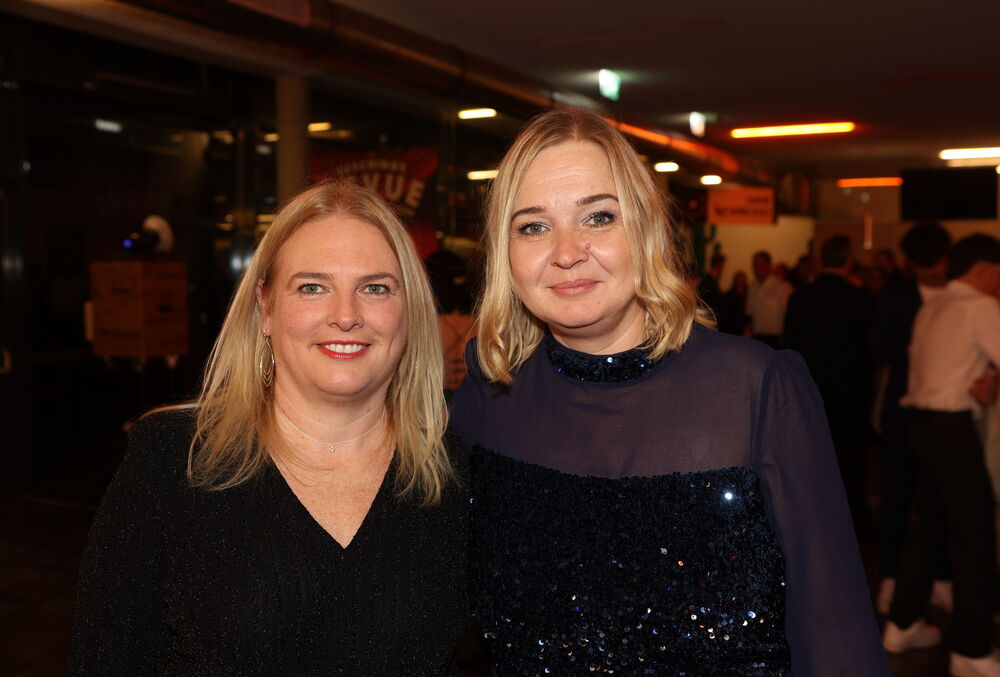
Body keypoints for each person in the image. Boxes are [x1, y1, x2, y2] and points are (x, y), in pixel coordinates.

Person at [451, 109, 888, 676]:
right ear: (504, 251)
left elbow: (837, 636)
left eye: (599, 217)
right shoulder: (490, 391)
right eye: (533, 226)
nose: (566, 251)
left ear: (646, 228)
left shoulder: (757, 388)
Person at [70, 181, 468, 675]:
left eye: (375, 288)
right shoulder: (173, 457)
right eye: (312, 287)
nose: (346, 315)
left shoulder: (453, 463)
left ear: (409, 309)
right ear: (266, 308)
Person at [884, 234, 1000, 677]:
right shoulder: (979, 305)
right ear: (984, 269)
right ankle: (970, 648)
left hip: (919, 425)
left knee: (927, 528)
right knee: (974, 537)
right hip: (950, 429)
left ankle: (902, 623)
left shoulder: (933, 306)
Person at [784, 235, 873, 532]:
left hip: (809, 389)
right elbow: (869, 348)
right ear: (849, 261)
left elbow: (789, 347)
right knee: (850, 460)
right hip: (850, 393)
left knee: (812, 456)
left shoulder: (800, 298)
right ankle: (851, 518)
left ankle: (812, 517)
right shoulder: (858, 298)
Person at [747, 250, 792, 348]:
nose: (758, 268)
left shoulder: (782, 287)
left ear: (769, 265)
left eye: (761, 264)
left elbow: (788, 316)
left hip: (775, 339)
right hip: (757, 338)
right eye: (755, 265)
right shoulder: (752, 287)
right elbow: (750, 314)